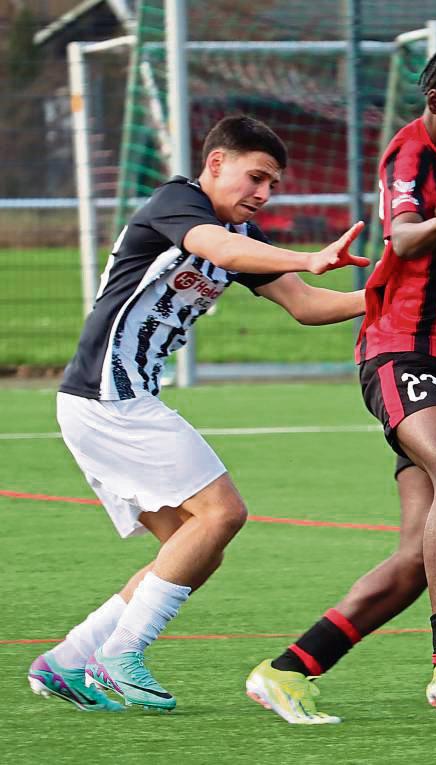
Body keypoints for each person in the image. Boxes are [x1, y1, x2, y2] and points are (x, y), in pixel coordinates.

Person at [27, 115, 369, 712]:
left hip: (112, 401)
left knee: (192, 549)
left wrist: (394, 295)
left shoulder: (238, 234)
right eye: (254, 177)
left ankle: (70, 660)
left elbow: (309, 306)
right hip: (110, 396)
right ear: (216, 165)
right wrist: (310, 256)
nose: (262, 194)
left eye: (273, 185)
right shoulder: (177, 204)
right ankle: (120, 657)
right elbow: (222, 247)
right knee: (223, 513)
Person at [246, 42, 436, 724]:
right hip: (400, 352)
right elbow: (402, 235)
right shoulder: (411, 153)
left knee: (420, 554)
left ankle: (288, 670)